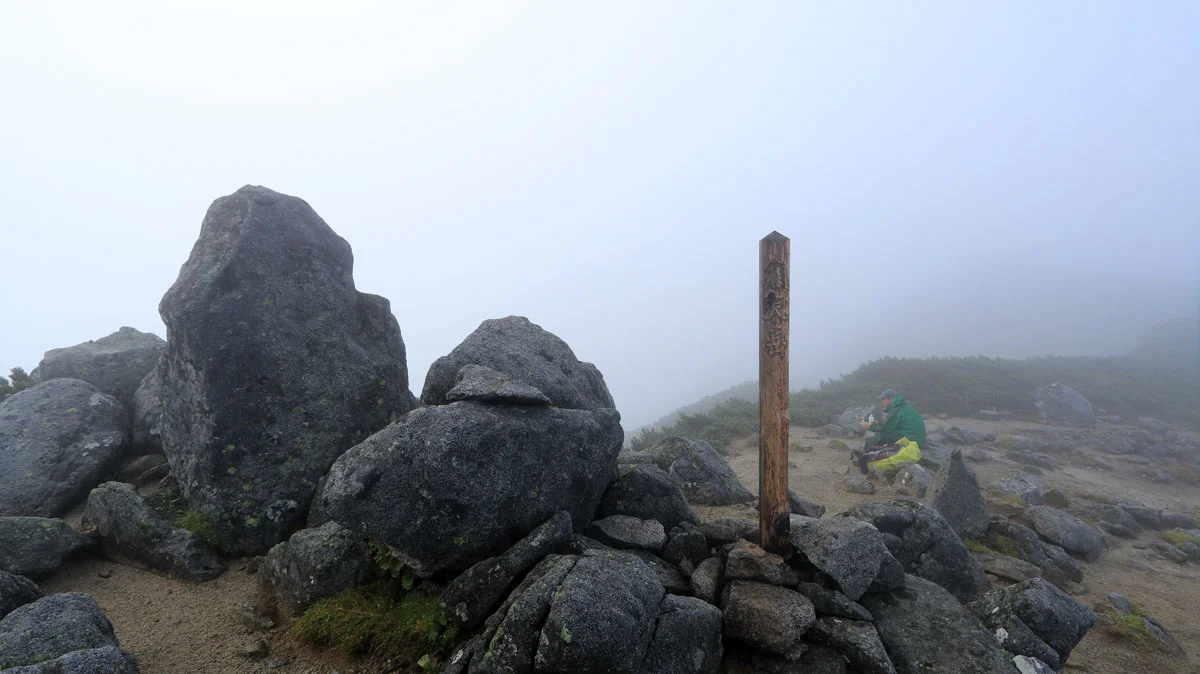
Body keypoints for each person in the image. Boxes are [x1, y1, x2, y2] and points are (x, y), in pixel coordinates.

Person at [851, 389, 926, 476]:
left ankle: (865, 457)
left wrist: (869, 427)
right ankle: (868, 455)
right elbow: (892, 426)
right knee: (884, 434)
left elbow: (886, 429)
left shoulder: (895, 410)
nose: (882, 403)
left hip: (912, 439)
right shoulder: (902, 407)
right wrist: (878, 424)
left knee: (881, 435)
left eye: (883, 400)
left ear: (889, 399)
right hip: (915, 436)